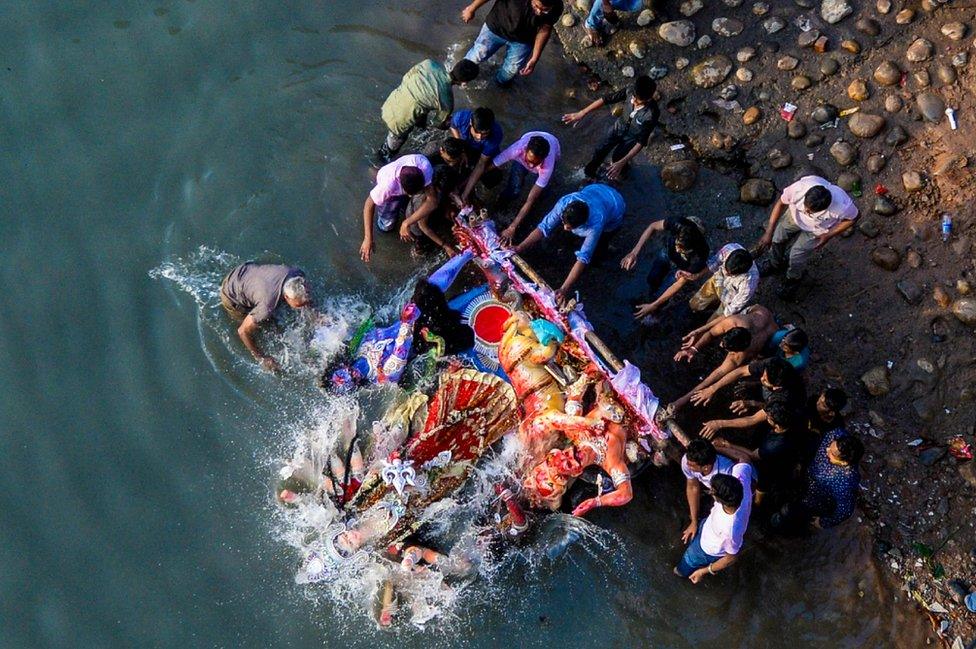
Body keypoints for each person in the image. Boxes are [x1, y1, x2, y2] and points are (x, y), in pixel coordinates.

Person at [753, 175, 859, 300]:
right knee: (778, 238)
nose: (806, 211)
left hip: (817, 229)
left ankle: (793, 279)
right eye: (805, 206)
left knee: (797, 255)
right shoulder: (799, 188)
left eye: (810, 211)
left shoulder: (842, 206)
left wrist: (829, 235)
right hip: (792, 217)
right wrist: (769, 232)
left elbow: (853, 218)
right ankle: (774, 263)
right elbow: (781, 203)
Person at [512, 183, 625, 301]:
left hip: (615, 206)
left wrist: (564, 289)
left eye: (570, 227)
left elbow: (583, 258)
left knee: (598, 249)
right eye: (563, 222)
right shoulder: (566, 202)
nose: (565, 228)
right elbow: (544, 227)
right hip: (595, 189)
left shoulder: (596, 224)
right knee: (562, 236)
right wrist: (520, 247)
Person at [668, 305, 778, 414]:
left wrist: (682, 400)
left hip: (771, 332)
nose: (720, 344)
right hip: (759, 310)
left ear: (736, 351)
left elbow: (719, 373)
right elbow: (711, 333)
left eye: (726, 348)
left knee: (760, 358)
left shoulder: (743, 354)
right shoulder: (734, 321)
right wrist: (693, 349)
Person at [376, 58, 480, 163]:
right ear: (464, 82)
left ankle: (418, 126)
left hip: (391, 102)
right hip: (399, 122)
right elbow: (437, 123)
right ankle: (376, 165)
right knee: (388, 152)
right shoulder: (447, 100)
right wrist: (451, 123)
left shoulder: (429, 64)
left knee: (421, 108)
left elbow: (407, 77)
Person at [562, 75, 660, 180]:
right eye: (633, 97)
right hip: (618, 128)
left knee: (618, 158)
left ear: (649, 99)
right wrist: (582, 113)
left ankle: (622, 172)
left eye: (637, 101)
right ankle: (589, 174)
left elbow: (641, 141)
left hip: (631, 138)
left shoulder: (652, 114)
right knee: (600, 150)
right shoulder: (630, 91)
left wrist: (621, 163)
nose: (633, 101)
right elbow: (606, 99)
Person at [220, 263, 310, 371]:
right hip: (231, 294)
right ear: (286, 296)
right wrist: (262, 358)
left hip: (246, 271)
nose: (302, 307)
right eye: (299, 305)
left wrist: (314, 314)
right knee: (264, 325)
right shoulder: (266, 306)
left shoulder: (297, 274)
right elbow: (242, 331)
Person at [620, 215, 709, 321]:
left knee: (663, 293)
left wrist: (655, 305)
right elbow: (652, 226)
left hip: (682, 268)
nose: (677, 249)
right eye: (678, 244)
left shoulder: (700, 256)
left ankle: (654, 312)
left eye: (682, 249)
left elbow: (679, 283)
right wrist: (634, 253)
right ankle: (652, 292)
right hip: (666, 253)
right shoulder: (678, 224)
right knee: (653, 277)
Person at [713, 401, 802, 507]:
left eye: (768, 417)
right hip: (791, 457)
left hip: (772, 468)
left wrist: (727, 444)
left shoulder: (772, 445)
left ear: (776, 424)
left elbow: (753, 455)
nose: (766, 417)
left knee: (761, 490)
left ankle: (757, 507)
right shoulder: (796, 417)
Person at [773, 429, 863, 531]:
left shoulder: (846, 482)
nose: (827, 450)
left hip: (814, 499)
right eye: (830, 446)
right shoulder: (835, 434)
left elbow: (844, 510)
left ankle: (781, 525)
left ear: (844, 463)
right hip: (805, 475)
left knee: (788, 512)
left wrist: (823, 522)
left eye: (832, 454)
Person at [675, 467, 753, 584]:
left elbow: (731, 557)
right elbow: (744, 461)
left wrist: (705, 571)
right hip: (708, 525)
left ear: (720, 499)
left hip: (707, 549)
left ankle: (679, 575)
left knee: (683, 567)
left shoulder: (730, 530)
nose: (710, 492)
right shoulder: (741, 480)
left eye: (712, 491)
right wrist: (727, 447)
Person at [696, 356, 806, 439]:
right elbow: (741, 372)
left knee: (764, 430)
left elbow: (752, 419)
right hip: (772, 395)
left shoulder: (783, 399)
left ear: (777, 386)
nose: (762, 378)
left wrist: (718, 424)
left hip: (789, 411)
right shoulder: (773, 364)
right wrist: (712, 388)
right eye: (763, 375)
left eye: (765, 380)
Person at [461, 0, 564, 86]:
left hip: (523, 40)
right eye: (536, 6)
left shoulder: (557, 7)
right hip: (496, 27)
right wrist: (471, 9)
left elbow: (544, 29)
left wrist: (534, 59)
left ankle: (498, 88)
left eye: (545, 10)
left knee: (510, 72)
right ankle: (460, 77)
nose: (538, 12)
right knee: (476, 55)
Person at [479, 131, 560, 240]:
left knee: (540, 195)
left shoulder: (547, 165)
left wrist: (512, 227)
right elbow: (491, 165)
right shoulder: (517, 150)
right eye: (530, 161)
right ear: (525, 150)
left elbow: (531, 199)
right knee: (514, 189)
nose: (531, 166)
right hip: (522, 157)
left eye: (535, 163)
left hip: (554, 145)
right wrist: (466, 183)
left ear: (543, 159)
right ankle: (499, 205)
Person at [360, 154, 440, 262]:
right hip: (390, 187)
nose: (411, 196)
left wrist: (406, 222)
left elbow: (433, 202)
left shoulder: (424, 166)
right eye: (410, 194)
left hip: (404, 174)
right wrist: (368, 238)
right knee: (385, 226)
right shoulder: (387, 187)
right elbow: (368, 205)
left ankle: (404, 206)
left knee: (420, 203)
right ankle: (374, 171)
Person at [679, 439, 737, 544]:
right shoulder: (687, 461)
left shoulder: (727, 474)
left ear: (706, 467)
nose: (688, 466)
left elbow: (733, 505)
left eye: (692, 466)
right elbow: (692, 487)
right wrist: (694, 521)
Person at [685, 243, 759, 323]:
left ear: (742, 273)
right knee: (694, 305)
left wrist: (706, 327)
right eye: (725, 269)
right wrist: (697, 275)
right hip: (717, 281)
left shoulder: (749, 283)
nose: (726, 274)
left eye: (730, 274)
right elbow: (714, 263)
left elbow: (733, 308)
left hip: (729, 299)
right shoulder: (728, 249)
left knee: (711, 323)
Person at [452, 107, 506, 202]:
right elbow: (453, 126)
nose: (479, 137)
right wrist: (461, 149)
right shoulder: (461, 117)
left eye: (484, 134)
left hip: (485, 151)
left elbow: (481, 163)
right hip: (466, 144)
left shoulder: (496, 134)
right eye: (477, 132)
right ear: (470, 124)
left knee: (494, 178)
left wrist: (465, 194)